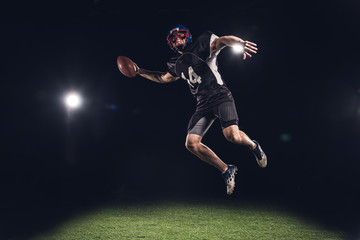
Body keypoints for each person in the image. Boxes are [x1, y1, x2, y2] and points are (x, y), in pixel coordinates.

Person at [134, 24, 267, 195]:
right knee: (191, 144)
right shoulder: (174, 63)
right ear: (171, 44)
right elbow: (162, 78)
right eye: (174, 39)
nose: (178, 40)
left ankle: (253, 145)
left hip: (220, 96)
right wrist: (139, 71)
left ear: (187, 36)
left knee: (232, 136)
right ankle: (226, 170)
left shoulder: (202, 42)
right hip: (203, 104)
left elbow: (223, 40)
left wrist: (239, 43)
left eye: (180, 36)